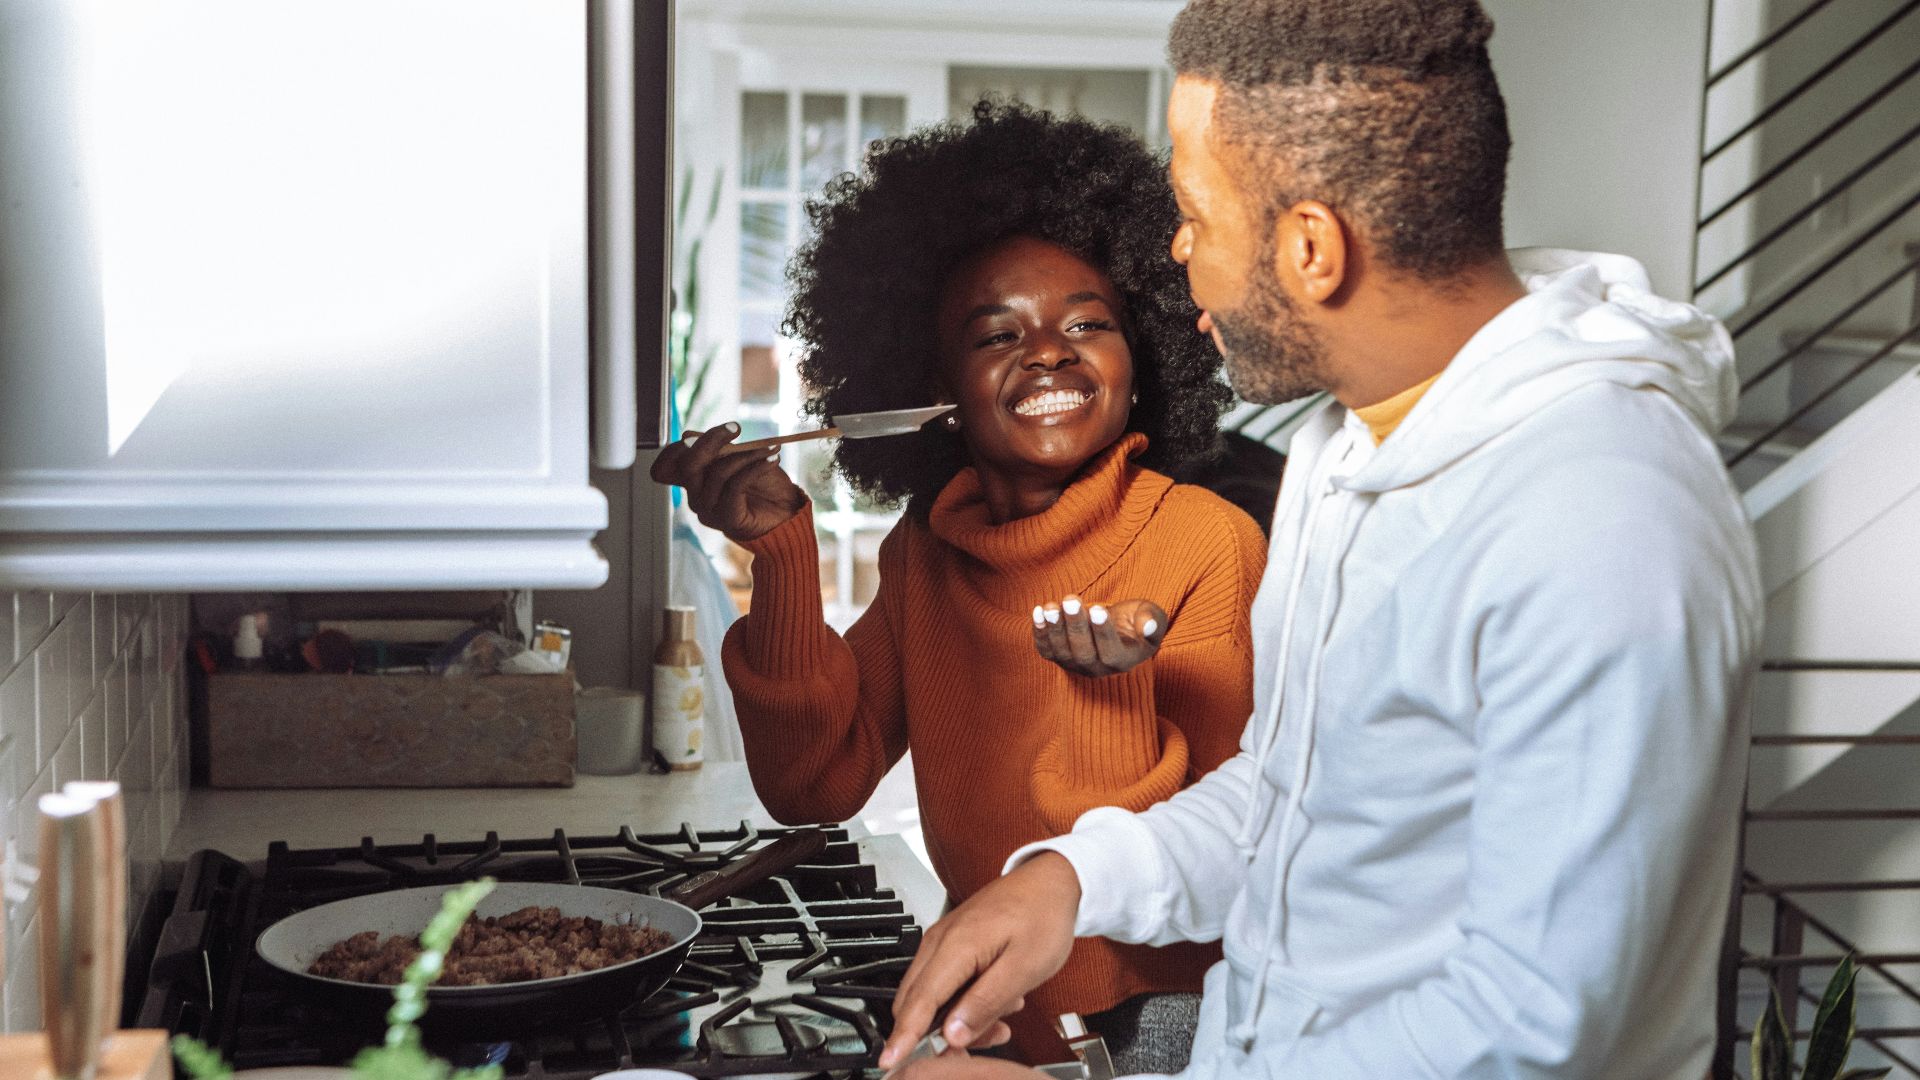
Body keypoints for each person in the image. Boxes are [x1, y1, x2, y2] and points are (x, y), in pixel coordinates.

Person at [878, 1, 1764, 1077]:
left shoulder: (1605, 519)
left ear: (1310, 249)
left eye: (1198, 216)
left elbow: (1534, 1028)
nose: (1178, 253)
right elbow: (1299, 797)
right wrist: (1073, 878)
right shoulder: (1347, 449)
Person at [650, 101, 1269, 1070]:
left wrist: (1106, 691)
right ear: (932, 390)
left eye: (1088, 323)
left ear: (1142, 361)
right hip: (987, 997)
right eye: (996, 335)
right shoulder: (927, 554)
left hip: (1158, 1026)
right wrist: (779, 557)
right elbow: (814, 786)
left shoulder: (1206, 542)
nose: (1049, 349)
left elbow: (1230, 852)